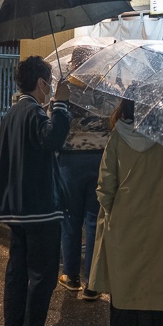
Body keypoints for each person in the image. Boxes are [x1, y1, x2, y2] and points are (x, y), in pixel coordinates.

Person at [0, 55, 72, 326]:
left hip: (15, 208)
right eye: (49, 83)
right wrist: (62, 105)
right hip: (39, 207)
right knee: (43, 274)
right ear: (41, 83)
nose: (51, 89)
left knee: (17, 272)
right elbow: (54, 141)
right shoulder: (36, 112)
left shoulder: (12, 112)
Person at [89, 97, 163, 326]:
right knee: (161, 284)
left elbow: (105, 186)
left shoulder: (118, 138)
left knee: (129, 284)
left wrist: (112, 212)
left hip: (126, 222)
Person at [57, 45, 110, 300]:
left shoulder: (64, 87)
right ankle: (93, 284)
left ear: (73, 63)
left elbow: (53, 121)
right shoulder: (106, 86)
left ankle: (71, 275)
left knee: (70, 219)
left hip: (70, 161)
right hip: (100, 158)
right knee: (94, 221)